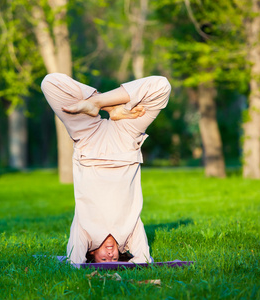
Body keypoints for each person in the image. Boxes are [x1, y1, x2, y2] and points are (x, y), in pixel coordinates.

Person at [41, 73, 171, 264]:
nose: (110, 256)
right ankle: (107, 105)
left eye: (104, 261)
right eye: (115, 260)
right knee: (161, 86)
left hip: (88, 141)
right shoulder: (129, 235)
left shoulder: (85, 233)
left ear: (91, 254)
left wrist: (78, 265)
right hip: (125, 139)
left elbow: (74, 262)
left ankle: (100, 103)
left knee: (51, 83)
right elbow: (143, 260)